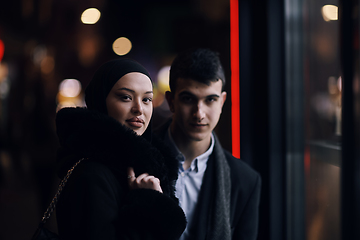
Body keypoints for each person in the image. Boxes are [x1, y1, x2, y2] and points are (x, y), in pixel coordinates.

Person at [55, 59, 186, 240]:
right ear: (101, 100)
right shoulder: (91, 175)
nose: (139, 109)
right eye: (126, 97)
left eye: (147, 99)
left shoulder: (148, 166)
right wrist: (148, 201)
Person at [154, 48, 261, 240]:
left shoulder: (245, 181)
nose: (199, 113)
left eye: (210, 100)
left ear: (222, 102)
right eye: (188, 99)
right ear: (171, 101)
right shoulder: (136, 158)